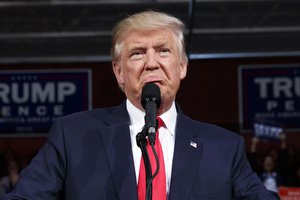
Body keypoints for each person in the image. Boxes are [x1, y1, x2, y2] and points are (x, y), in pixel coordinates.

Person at [2, 10, 279, 200]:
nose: (151, 62)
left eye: (163, 50)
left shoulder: (224, 147)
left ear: (182, 66)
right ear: (119, 72)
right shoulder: (72, 136)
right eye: (137, 53)